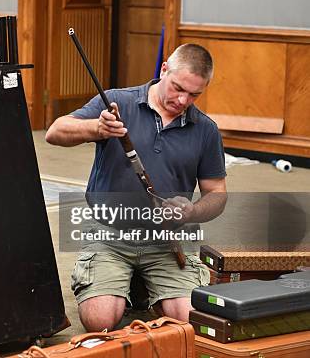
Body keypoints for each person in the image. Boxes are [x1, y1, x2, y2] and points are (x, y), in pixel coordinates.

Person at [46, 43, 227, 332]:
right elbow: (55, 132)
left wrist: (191, 211)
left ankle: (145, 289)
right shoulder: (118, 101)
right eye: (178, 87)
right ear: (164, 69)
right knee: (100, 320)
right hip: (110, 232)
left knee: (190, 319)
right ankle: (132, 287)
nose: (182, 100)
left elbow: (217, 193)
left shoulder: (205, 129)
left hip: (167, 239)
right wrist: (97, 129)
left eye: (194, 94)